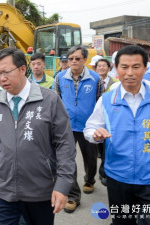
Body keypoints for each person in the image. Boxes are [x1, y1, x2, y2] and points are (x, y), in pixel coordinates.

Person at [0, 47, 76, 225]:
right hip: (3, 189)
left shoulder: (49, 100)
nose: (2, 78)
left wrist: (63, 185)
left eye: (6, 72)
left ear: (22, 69)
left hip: (40, 190)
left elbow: (65, 145)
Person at [84, 45, 150, 225]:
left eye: (136, 67)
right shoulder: (106, 100)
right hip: (118, 176)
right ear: (116, 68)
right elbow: (89, 129)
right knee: (122, 221)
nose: (130, 73)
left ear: (146, 68)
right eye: (124, 67)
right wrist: (95, 133)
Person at [54, 45, 102, 213]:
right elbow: (56, 100)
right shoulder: (60, 77)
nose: (73, 61)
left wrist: (98, 124)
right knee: (67, 161)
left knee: (90, 158)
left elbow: (99, 102)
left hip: (88, 126)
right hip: (66, 126)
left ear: (84, 60)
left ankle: (89, 180)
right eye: (71, 58)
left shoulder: (95, 78)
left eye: (77, 58)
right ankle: (73, 196)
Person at [94, 58, 118, 186]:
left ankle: (104, 172)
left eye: (104, 66)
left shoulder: (115, 83)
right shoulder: (93, 81)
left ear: (109, 68)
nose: (102, 68)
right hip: (97, 117)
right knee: (98, 145)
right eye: (99, 66)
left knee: (106, 147)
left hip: (110, 118)